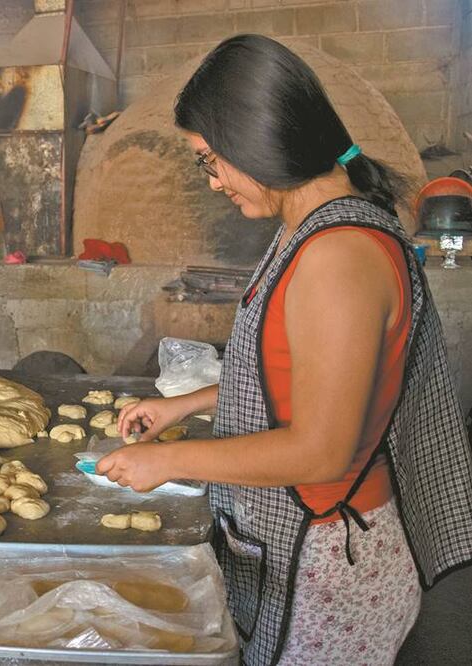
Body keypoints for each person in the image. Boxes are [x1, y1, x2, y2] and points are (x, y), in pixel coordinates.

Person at [97, 35, 472, 665]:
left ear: (256, 141)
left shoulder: (337, 256)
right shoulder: (307, 227)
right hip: (306, 541)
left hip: (331, 562)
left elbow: (321, 450)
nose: (213, 182)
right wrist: (184, 405)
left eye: (210, 160)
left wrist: (171, 463)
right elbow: (304, 375)